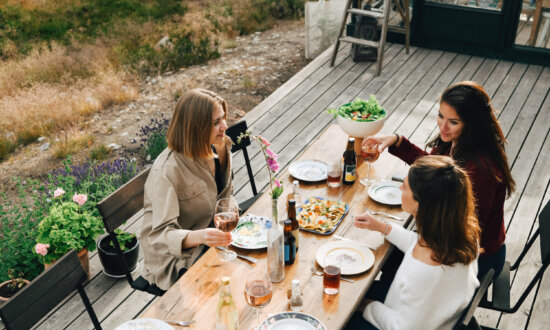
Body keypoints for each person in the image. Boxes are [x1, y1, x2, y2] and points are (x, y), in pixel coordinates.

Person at [364, 81, 515, 280]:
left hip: (473, 261)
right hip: (448, 242)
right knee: (387, 257)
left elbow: (466, 234)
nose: (443, 126)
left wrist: (419, 210)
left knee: (387, 259)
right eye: (440, 116)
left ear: (472, 124)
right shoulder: (455, 142)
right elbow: (434, 169)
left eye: (453, 122)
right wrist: (397, 140)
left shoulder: (479, 171)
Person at [353, 156, 481, 329]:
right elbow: (417, 244)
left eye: (405, 187)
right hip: (435, 314)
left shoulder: (425, 270)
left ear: (423, 204)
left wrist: (366, 306)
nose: (400, 188)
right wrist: (383, 227)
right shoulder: (462, 234)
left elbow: (402, 328)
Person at [140, 89, 234, 291]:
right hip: (175, 259)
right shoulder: (165, 172)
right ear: (196, 128)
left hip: (212, 236)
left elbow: (225, 193)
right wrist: (202, 236)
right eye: (216, 122)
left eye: (223, 118)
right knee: (231, 283)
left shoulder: (217, 146)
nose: (225, 126)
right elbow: (159, 237)